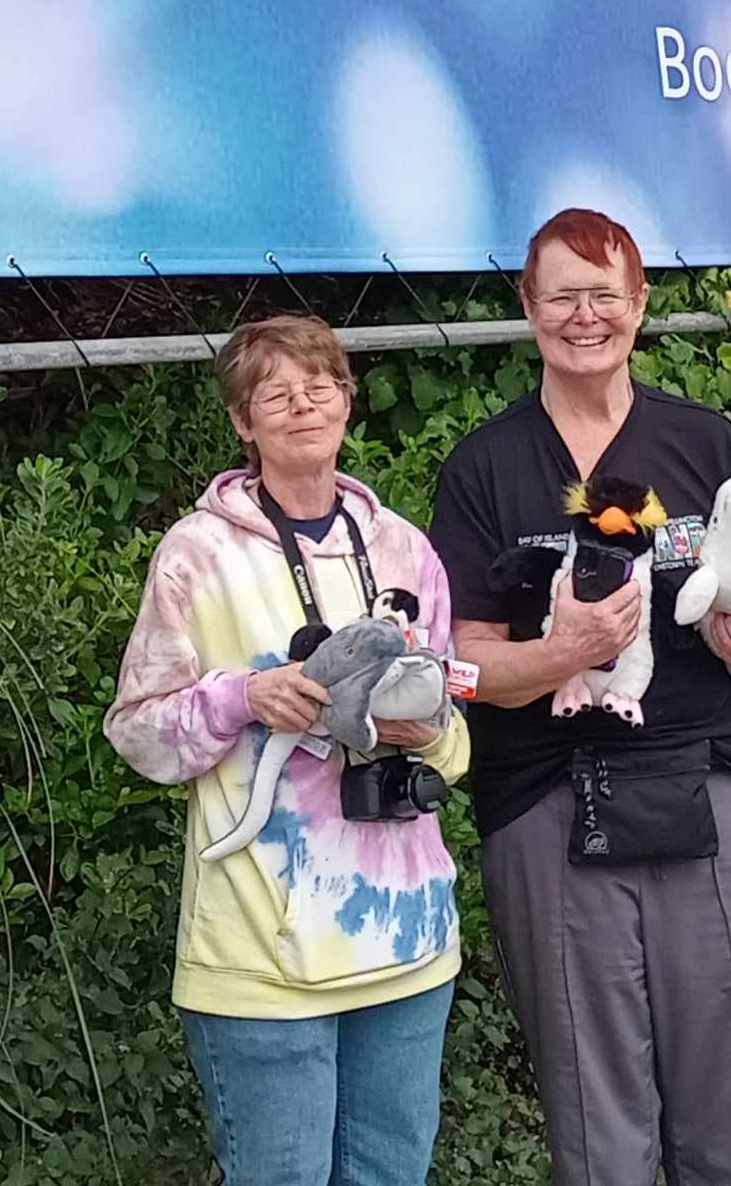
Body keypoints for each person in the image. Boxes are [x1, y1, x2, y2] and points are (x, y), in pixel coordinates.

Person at [429, 208, 731, 1186]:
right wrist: (562, 654)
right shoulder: (482, 468)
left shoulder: (705, 441)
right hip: (548, 800)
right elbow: (459, 665)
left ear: (639, 305)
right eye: (562, 296)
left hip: (709, 787)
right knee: (598, 1127)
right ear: (528, 308)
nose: (584, 315)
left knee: (727, 1104)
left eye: (604, 294)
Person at [105, 314, 470, 1186]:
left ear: (347, 400)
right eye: (276, 394)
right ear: (243, 421)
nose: (304, 405)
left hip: (409, 944)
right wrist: (243, 697)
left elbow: (455, 741)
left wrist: (427, 731)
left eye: (321, 386)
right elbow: (138, 732)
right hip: (260, 958)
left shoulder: (406, 549)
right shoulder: (195, 555)